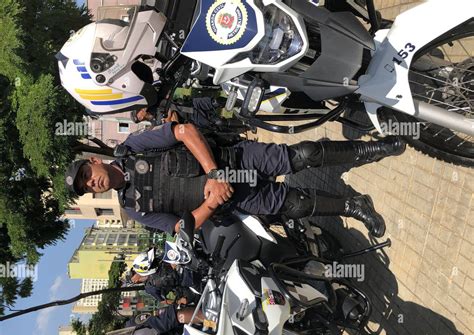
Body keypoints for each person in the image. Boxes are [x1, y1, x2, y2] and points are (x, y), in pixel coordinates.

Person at [64, 121, 405, 238]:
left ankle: (373, 148)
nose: (91, 183)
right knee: (296, 206)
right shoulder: (132, 208)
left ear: (95, 162)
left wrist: (213, 173)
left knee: (304, 155)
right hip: (233, 198)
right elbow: (181, 228)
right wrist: (212, 200)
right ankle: (353, 206)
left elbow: (183, 132)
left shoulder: (132, 148)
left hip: (234, 160)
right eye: (85, 187)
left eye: (87, 175)